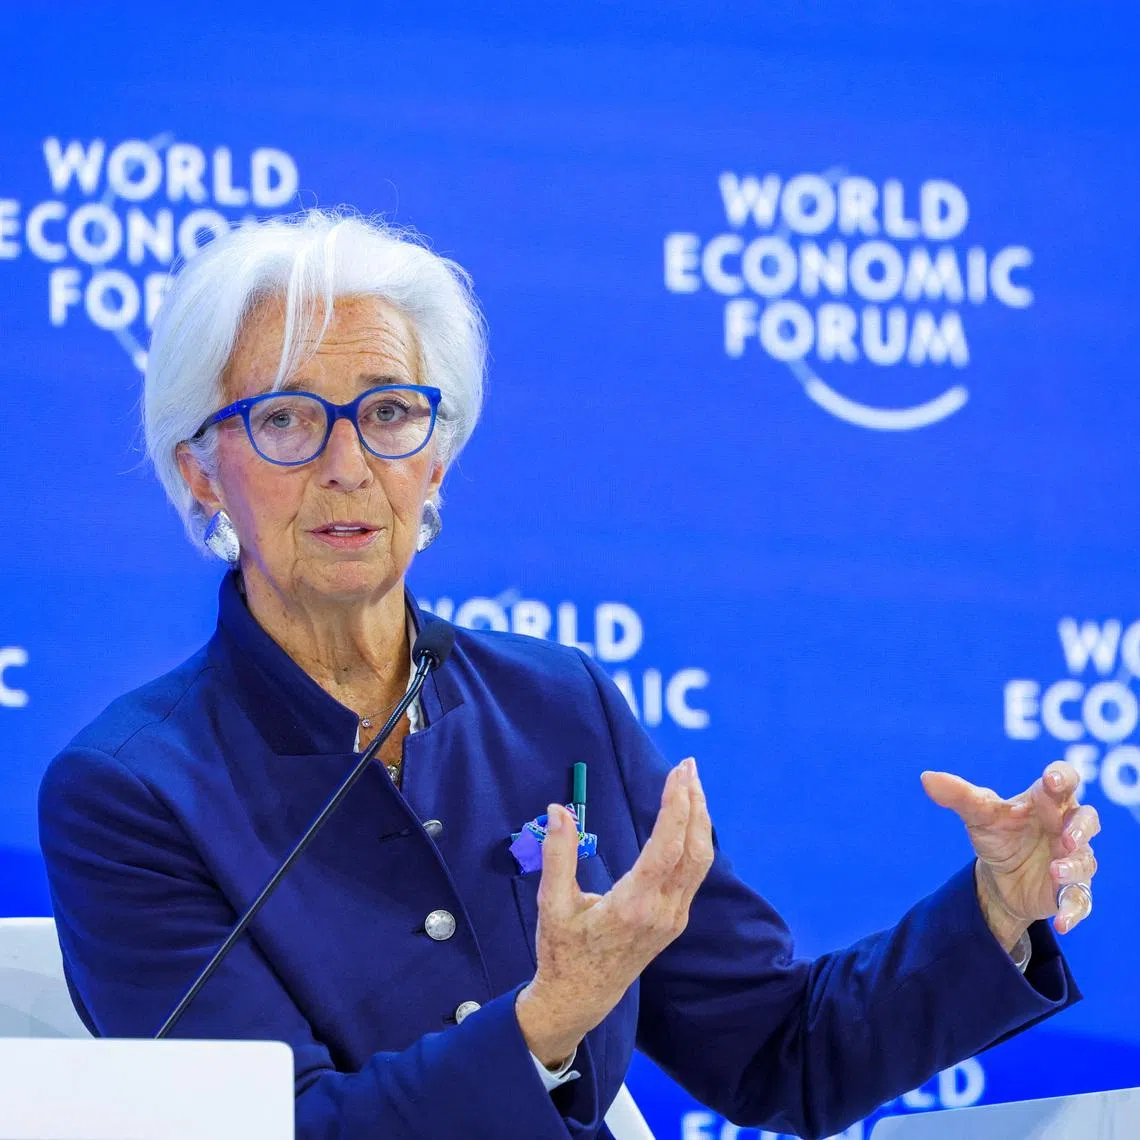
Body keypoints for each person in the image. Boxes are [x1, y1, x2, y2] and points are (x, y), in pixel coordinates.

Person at [38, 209, 1101, 1140]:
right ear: (200, 471)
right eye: (285, 418)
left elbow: (782, 1052)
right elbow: (276, 1134)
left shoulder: (558, 707)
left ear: (438, 455)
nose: (347, 464)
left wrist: (998, 914)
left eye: (390, 412)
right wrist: (547, 1020)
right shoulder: (131, 793)